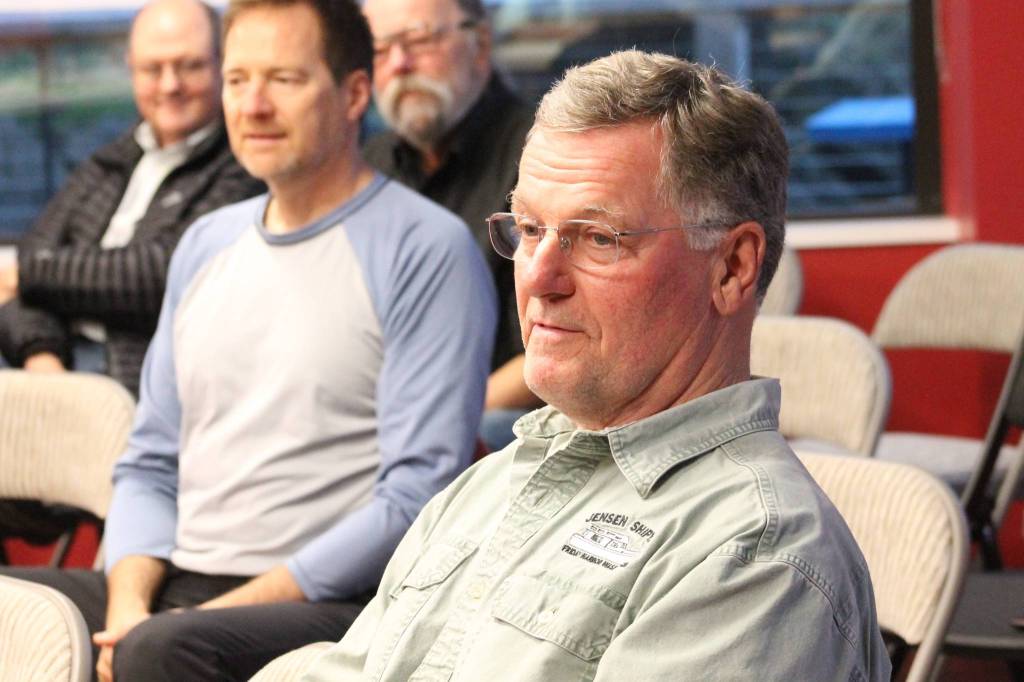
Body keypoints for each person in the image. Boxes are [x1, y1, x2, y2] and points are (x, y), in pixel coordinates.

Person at [303, 51, 892, 681]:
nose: (537, 278)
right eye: (529, 229)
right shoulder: (490, 483)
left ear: (731, 268)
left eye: (599, 238)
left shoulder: (754, 556)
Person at [0, 1, 496, 681]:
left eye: (284, 80)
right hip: (176, 582)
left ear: (354, 93)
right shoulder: (205, 242)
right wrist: (129, 608)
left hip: (328, 599)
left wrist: (190, 622)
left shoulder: (426, 248)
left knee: (161, 651)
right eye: (237, 80)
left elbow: (414, 498)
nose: (253, 105)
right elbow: (148, 462)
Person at [0, 0, 263, 397]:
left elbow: (161, 273)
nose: (170, 85)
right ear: (131, 70)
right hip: (57, 372)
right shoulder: (112, 160)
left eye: (189, 65)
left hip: (146, 391)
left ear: (222, 65)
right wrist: (45, 362)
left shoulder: (245, 165)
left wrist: (33, 275)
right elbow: (23, 268)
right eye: (152, 69)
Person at [361, 0, 539, 450]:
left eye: (419, 41)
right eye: (380, 50)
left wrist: (443, 419)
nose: (399, 64)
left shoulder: (542, 156)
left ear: (479, 44)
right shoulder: (369, 166)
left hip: (493, 425)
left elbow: (558, 343)